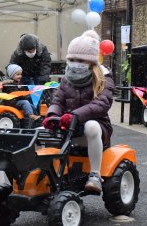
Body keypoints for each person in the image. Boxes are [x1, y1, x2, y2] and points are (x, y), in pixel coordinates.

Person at [42, 30, 115, 193]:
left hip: (96, 128)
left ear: (91, 60)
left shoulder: (103, 77)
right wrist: (52, 115)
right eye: (72, 59)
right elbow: (58, 100)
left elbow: (102, 104)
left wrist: (75, 115)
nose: (76, 63)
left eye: (80, 60)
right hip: (68, 125)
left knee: (91, 126)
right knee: (39, 132)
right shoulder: (67, 78)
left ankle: (95, 175)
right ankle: (44, 173)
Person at [4, 64, 40, 128]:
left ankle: (36, 117)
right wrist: (25, 95)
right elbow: (16, 94)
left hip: (18, 100)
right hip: (11, 102)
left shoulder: (18, 82)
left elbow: (22, 91)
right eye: (18, 74)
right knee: (25, 102)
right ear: (11, 75)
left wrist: (27, 93)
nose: (20, 76)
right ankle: (30, 115)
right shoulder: (8, 85)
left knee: (30, 104)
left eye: (20, 74)